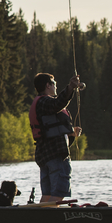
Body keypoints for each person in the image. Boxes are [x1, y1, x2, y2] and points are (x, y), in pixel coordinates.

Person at [29, 72, 85, 203]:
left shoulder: (41, 103)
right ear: (48, 85)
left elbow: (50, 130)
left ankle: (40, 221)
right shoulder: (44, 101)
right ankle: (49, 221)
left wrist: (70, 133)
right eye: (54, 84)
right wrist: (70, 87)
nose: (55, 87)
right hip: (55, 155)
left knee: (48, 195)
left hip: (45, 155)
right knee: (59, 193)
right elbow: (58, 103)